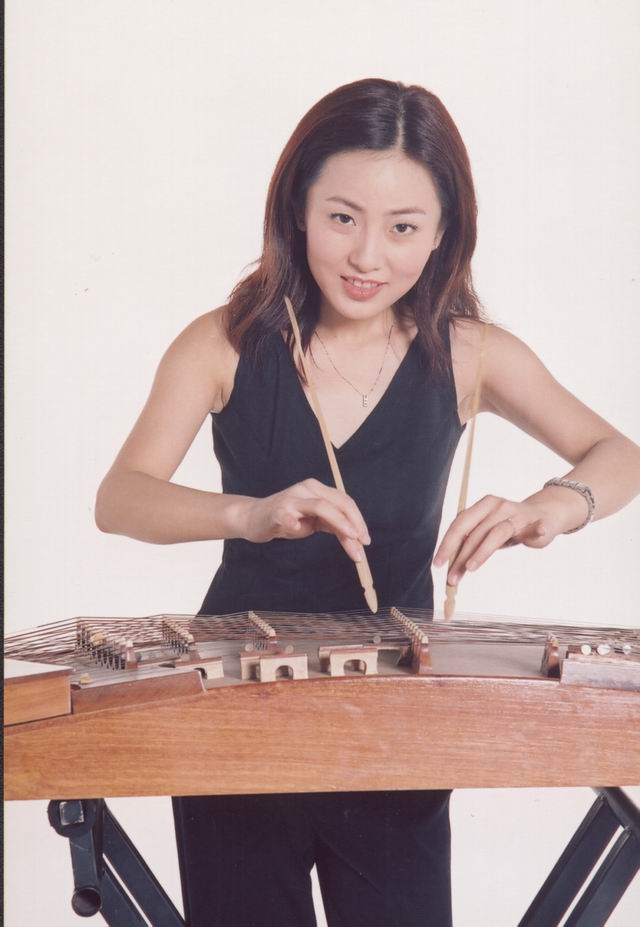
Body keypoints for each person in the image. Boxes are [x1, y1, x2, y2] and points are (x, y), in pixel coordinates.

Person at [95, 78, 640, 927]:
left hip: (396, 720)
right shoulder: (224, 343)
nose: (367, 257)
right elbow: (120, 498)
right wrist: (249, 513)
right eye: (343, 218)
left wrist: (550, 505)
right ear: (298, 209)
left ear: (444, 233)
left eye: (403, 228)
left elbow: (619, 454)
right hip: (234, 709)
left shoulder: (470, 352)